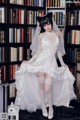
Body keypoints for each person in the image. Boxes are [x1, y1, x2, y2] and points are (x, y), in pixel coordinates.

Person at [14, 12, 76, 119]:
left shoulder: (58, 34)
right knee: (42, 86)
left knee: (48, 88)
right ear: (42, 26)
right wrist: (29, 62)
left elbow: (58, 52)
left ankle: (50, 107)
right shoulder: (41, 35)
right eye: (44, 25)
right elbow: (38, 52)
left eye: (48, 24)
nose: (47, 26)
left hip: (51, 64)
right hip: (40, 63)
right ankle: (43, 106)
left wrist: (62, 64)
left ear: (51, 23)